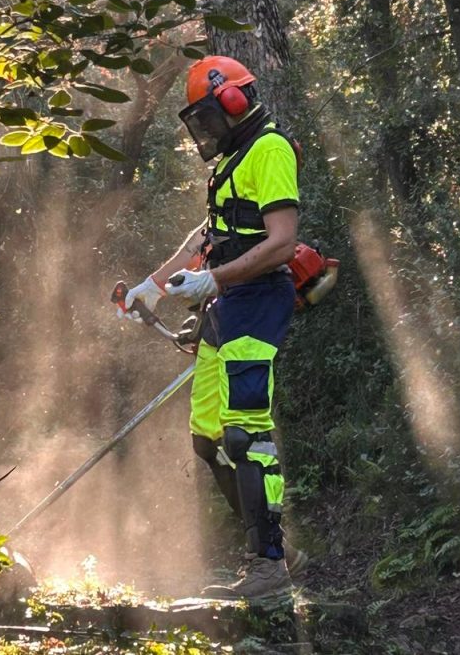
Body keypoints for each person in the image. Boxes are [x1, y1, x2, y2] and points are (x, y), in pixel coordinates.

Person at [117, 56, 299, 600]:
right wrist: (151, 286)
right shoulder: (231, 161)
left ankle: (269, 568)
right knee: (209, 438)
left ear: (233, 102)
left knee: (246, 434)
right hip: (227, 302)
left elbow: (283, 242)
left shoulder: (269, 150)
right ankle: (275, 547)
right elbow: (205, 239)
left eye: (206, 117)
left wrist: (213, 279)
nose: (203, 131)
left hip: (258, 300)